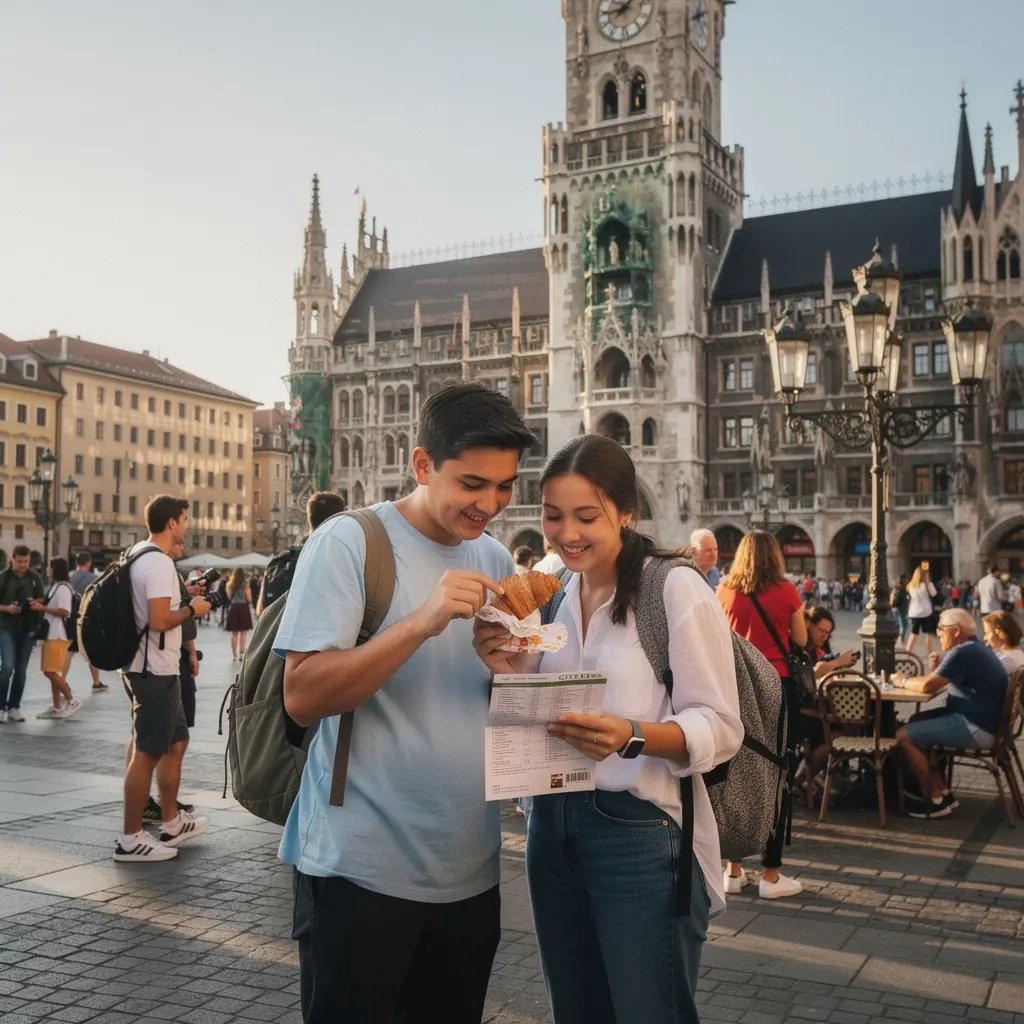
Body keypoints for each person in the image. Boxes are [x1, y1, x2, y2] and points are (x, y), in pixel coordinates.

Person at [276, 382, 535, 1023]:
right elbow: (303, 694)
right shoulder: (348, 543)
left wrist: (511, 671)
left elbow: (497, 713)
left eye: (504, 487)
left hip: (470, 874)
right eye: (473, 483)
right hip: (359, 873)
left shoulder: (496, 557)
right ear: (423, 466)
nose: (490, 504)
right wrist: (421, 622)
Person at [474, 434, 742, 1023]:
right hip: (550, 825)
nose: (567, 533)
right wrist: (505, 663)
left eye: (586, 516)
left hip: (639, 835)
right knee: (576, 1011)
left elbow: (721, 726)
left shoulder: (673, 589)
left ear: (625, 512)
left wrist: (630, 734)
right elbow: (539, 694)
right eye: (553, 516)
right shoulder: (555, 591)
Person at [115, 495, 212, 862]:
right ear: (171, 523)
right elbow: (158, 620)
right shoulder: (156, 563)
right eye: (184, 519)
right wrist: (192, 608)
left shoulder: (139, 553)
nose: (187, 525)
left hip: (160, 667)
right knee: (147, 753)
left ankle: (172, 823)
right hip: (152, 669)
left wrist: (185, 599)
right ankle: (130, 839)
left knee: (176, 743)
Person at [718, 531, 806, 899]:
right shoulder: (786, 591)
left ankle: (732, 869)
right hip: (777, 687)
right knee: (778, 773)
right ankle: (770, 873)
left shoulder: (723, 590)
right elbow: (800, 640)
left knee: (734, 772)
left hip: (734, 687)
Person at [895, 608, 1010, 818]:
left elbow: (928, 686)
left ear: (956, 631)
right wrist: (936, 673)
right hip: (986, 722)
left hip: (976, 726)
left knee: (903, 735)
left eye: (941, 629)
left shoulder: (963, 652)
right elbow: (934, 682)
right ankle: (944, 792)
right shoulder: (975, 648)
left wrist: (901, 681)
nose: (938, 633)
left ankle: (935, 800)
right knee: (916, 719)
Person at [256, 490, 346, 616]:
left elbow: (261, 611)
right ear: (339, 520)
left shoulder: (281, 560)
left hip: (280, 635)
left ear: (310, 518)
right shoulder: (340, 562)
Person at [0, 545, 46, 724]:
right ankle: (1, 707)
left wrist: (33, 604)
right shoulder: (3, 577)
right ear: (12, 559)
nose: (23, 565)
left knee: (21, 671)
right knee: (7, 668)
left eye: (26, 561)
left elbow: (41, 600)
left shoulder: (34, 578)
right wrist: (7, 608)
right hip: (5, 627)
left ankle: (14, 707)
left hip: (27, 629)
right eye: (19, 561)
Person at [31, 557, 81, 720]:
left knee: (50, 671)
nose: (47, 569)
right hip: (51, 634)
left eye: (49, 566)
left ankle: (71, 700)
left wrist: (42, 608)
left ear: (55, 569)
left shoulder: (63, 588)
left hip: (58, 634)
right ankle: (57, 707)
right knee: (51, 670)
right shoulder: (56, 587)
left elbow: (65, 612)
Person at [68, 551, 107, 692]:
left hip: (70, 616)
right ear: (89, 562)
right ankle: (96, 682)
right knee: (91, 650)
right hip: (87, 617)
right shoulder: (93, 577)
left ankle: (62, 680)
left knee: (69, 650)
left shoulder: (69, 576)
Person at [905, 565, 938, 656]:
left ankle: (908, 650)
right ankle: (930, 652)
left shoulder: (910, 586)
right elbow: (934, 594)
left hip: (914, 612)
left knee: (914, 633)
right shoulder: (927, 585)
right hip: (926, 612)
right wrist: (929, 582)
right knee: (929, 634)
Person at [982, 610, 1024, 676]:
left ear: (1000, 633)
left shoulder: (1006, 660)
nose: (984, 638)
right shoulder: (1018, 653)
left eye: (987, 633)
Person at [226, 567, 254, 660]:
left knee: (234, 634)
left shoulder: (230, 584)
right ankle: (241, 653)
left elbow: (229, 596)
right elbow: (249, 597)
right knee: (243, 632)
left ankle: (234, 654)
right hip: (243, 607)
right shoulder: (245, 583)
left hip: (234, 607)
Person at [890, 574, 911, 647]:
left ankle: (894, 638)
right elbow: (903, 600)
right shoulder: (902, 589)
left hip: (895, 609)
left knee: (897, 625)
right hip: (901, 609)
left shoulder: (895, 588)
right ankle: (901, 640)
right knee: (904, 625)